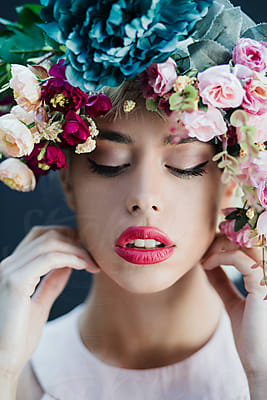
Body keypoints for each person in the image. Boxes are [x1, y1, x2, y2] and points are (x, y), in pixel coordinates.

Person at [0, 1, 267, 399]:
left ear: (233, 180)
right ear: (67, 177)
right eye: (109, 162)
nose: (144, 199)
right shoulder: (15, 369)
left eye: (185, 162)